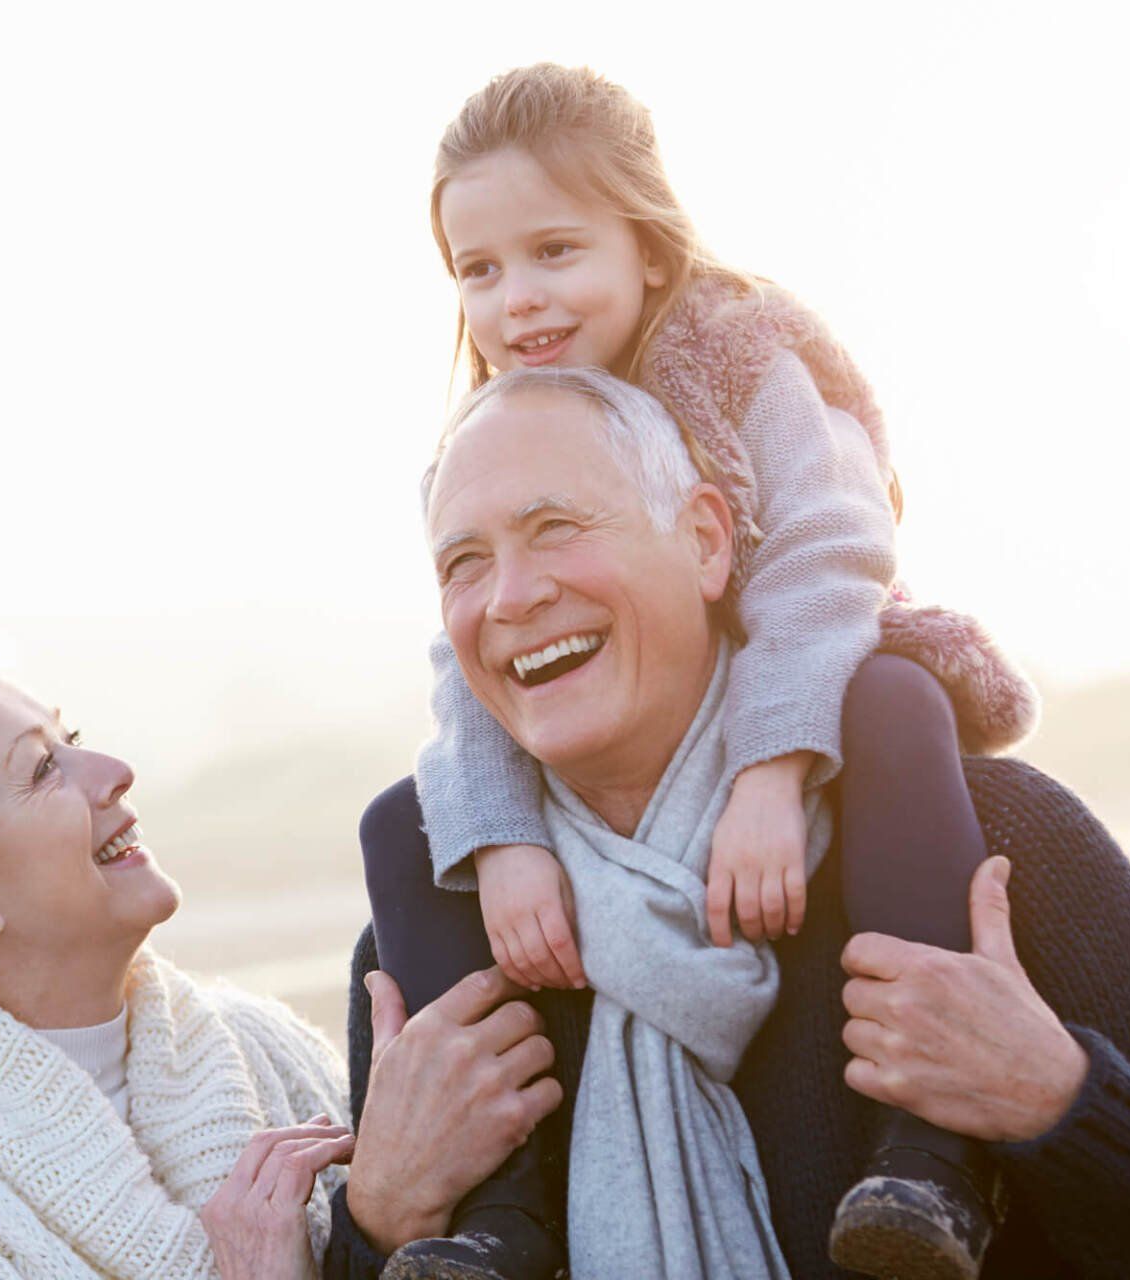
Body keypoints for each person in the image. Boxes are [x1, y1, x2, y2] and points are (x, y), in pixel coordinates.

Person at [337, 370, 1130, 1278]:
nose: (511, 594)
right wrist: (375, 1217)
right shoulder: (436, 944)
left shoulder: (990, 840)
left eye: (556, 527)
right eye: (464, 560)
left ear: (707, 538)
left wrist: (1057, 1097)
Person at [372, 62, 1033, 1278]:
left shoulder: (741, 353)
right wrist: (505, 837)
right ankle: (497, 1215)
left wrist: (772, 771)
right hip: (622, 760)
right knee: (405, 822)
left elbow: (832, 551)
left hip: (808, 669)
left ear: (648, 242)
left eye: (555, 250)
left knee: (895, 696)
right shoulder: (488, 435)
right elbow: (469, 655)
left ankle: (938, 1150)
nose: (517, 299)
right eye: (478, 269)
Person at [0, 638, 563, 1279]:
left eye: (76, 739)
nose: (115, 773)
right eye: (40, 770)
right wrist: (383, 1210)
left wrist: (381, 1226)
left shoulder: (256, 1046)